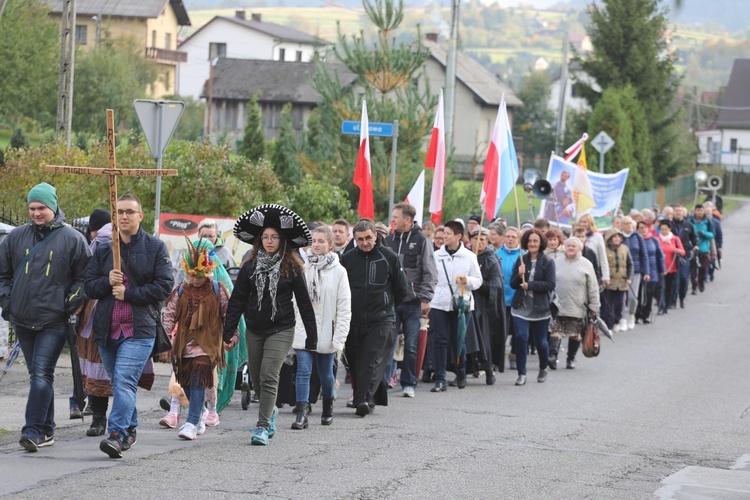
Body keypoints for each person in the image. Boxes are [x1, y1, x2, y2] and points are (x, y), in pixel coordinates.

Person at [0, 183, 91, 452]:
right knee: (39, 375)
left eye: (41, 208)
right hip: (22, 318)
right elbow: (2, 274)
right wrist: (7, 302)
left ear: (53, 207)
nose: (36, 213)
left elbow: (84, 279)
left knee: (41, 373)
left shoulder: (73, 239)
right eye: (32, 208)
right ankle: (47, 429)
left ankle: (32, 430)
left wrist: (68, 304)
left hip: (53, 320)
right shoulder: (15, 237)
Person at [85, 193, 174, 458]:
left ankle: (116, 434)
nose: (124, 216)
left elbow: (164, 286)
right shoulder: (103, 249)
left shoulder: (155, 247)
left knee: (124, 380)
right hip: (107, 329)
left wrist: (129, 294)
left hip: (139, 329)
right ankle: (131, 428)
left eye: (129, 212)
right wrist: (106, 281)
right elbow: (88, 285)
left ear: (140, 216)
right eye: (119, 212)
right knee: (120, 383)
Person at [224, 204, 317, 445]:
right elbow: (237, 301)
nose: (269, 241)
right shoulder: (249, 266)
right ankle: (271, 411)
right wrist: (229, 329)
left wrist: (311, 336)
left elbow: (305, 303)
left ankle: (262, 426)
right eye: (264, 237)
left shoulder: (293, 267)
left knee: (268, 375)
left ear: (282, 239)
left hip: (282, 328)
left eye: (274, 237)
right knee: (256, 380)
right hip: (254, 328)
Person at [161, 238, 237, 440]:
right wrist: (165, 340)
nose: (194, 280)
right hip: (184, 344)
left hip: (208, 344)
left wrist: (231, 336)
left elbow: (228, 315)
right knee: (186, 380)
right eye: (190, 275)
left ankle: (191, 423)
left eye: (198, 276)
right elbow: (168, 315)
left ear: (207, 272)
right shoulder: (180, 290)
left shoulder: (217, 289)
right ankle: (201, 411)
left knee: (198, 379)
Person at [341, 219, 408, 416]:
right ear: (355, 239)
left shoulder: (389, 257)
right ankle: (370, 398)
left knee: (371, 360)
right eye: (360, 239)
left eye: (368, 238)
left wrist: (388, 306)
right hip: (353, 319)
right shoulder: (348, 258)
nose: (365, 242)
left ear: (376, 235)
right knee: (356, 363)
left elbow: (401, 289)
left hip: (382, 319)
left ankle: (361, 400)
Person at [291, 226, 351, 428]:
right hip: (304, 329)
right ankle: (301, 412)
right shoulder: (302, 268)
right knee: (303, 370)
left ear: (330, 245)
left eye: (321, 241)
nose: (316, 245)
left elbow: (344, 307)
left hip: (327, 331)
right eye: (313, 241)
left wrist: (339, 338)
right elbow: (293, 300)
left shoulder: (339, 272)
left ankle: (327, 406)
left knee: (326, 374)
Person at [384, 203, 437, 398]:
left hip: (414, 303)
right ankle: (384, 382)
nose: (392, 220)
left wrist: (426, 298)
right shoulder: (388, 240)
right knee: (387, 344)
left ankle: (409, 384)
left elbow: (430, 272)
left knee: (411, 345)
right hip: (391, 302)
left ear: (407, 219)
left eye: (395, 217)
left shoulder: (422, 240)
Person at [429, 220, 482, 391]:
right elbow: (430, 279)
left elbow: (479, 281)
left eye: (448, 233)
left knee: (459, 340)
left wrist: (468, 280)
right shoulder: (436, 256)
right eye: (443, 233)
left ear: (458, 236)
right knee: (440, 341)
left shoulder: (469, 256)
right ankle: (440, 379)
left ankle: (461, 373)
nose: (444, 236)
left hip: (461, 303)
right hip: (439, 303)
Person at [69, 207, 111, 420]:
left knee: (93, 361)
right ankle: (79, 401)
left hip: (104, 313)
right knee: (86, 360)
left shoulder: (101, 247)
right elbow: (81, 282)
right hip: (87, 314)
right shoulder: (86, 249)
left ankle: (90, 406)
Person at [509, 229, 555, 386]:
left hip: (540, 308)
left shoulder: (548, 262)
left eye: (535, 241)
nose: (532, 244)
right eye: (529, 241)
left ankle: (543, 367)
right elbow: (513, 284)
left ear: (541, 243)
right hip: (520, 307)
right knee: (521, 338)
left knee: (541, 342)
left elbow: (550, 284)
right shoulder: (521, 259)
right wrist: (519, 274)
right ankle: (521, 373)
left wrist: (531, 285)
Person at [549, 237, 600, 370]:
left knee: (575, 333)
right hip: (558, 304)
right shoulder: (556, 262)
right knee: (555, 330)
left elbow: (593, 287)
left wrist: (594, 306)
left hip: (577, 305)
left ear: (580, 249)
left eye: (574, 246)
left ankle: (571, 358)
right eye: (568, 246)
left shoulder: (586, 264)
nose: (571, 248)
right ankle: (552, 356)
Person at [467, 227, 505, 383]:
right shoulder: (467, 257)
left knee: (485, 339)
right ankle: (463, 371)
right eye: (475, 239)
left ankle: (489, 369)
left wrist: (477, 282)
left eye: (482, 239)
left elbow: (496, 286)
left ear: (488, 241)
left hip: (485, 305)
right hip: (468, 301)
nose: (478, 242)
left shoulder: (492, 260)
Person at [497, 227, 523, 370]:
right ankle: (497, 358)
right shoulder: (496, 254)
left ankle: (514, 355)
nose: (510, 239)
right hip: (500, 299)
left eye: (513, 236)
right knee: (501, 331)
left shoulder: (523, 256)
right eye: (508, 236)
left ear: (518, 239)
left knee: (517, 332)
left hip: (517, 299)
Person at [620, 216, 649, 331]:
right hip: (621, 270)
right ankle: (622, 318)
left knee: (632, 297)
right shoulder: (618, 237)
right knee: (622, 297)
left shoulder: (638, 237)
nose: (629, 226)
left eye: (630, 223)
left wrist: (646, 271)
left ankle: (631, 315)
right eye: (626, 223)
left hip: (636, 270)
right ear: (621, 225)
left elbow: (644, 254)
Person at [602, 229, 633, 332]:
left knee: (619, 304)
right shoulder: (604, 250)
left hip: (622, 282)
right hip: (609, 282)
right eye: (614, 237)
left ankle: (616, 321)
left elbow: (630, 264)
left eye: (618, 237)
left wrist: (629, 277)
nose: (616, 239)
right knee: (608, 305)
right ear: (610, 238)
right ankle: (609, 325)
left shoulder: (625, 249)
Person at [635, 221, 665, 324]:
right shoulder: (635, 240)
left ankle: (645, 315)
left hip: (653, 270)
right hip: (639, 270)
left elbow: (660, 256)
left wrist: (662, 270)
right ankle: (636, 315)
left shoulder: (654, 240)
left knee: (649, 294)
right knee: (638, 294)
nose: (642, 230)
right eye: (640, 228)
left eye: (644, 228)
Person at [670, 206, 697, 308]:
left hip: (684, 256)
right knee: (673, 280)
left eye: (680, 211)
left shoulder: (688, 225)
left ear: (683, 213)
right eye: (676, 211)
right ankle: (672, 301)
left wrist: (695, 245)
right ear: (673, 212)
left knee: (683, 279)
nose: (678, 213)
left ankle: (682, 298)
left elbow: (694, 237)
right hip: (672, 255)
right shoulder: (670, 224)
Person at [656, 220, 685, 315]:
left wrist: (678, 251)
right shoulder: (656, 239)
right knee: (660, 287)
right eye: (661, 229)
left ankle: (667, 304)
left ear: (669, 229)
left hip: (672, 267)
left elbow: (683, 251)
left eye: (665, 229)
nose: (663, 231)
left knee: (669, 287)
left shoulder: (675, 239)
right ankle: (661, 305)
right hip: (659, 267)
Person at [576, 214, 610, 287]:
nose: (582, 224)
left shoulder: (597, 237)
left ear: (590, 223)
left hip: (592, 270)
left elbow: (602, 257)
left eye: (585, 222)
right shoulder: (574, 235)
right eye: (581, 221)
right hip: (576, 270)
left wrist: (606, 276)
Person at [688, 204, 714, 294]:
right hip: (693, 247)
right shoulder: (690, 221)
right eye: (698, 210)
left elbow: (712, 234)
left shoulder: (708, 221)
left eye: (701, 210)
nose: (699, 212)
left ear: (704, 211)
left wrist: (704, 233)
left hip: (704, 248)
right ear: (695, 211)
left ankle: (701, 281)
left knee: (703, 267)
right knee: (693, 268)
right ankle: (694, 286)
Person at [703, 201, 722, 282]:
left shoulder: (716, 222)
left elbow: (719, 235)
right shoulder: (702, 222)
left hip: (714, 245)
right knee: (706, 261)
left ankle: (711, 273)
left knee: (713, 262)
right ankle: (706, 275)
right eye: (706, 212)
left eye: (709, 212)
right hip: (704, 244)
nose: (707, 214)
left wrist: (720, 246)